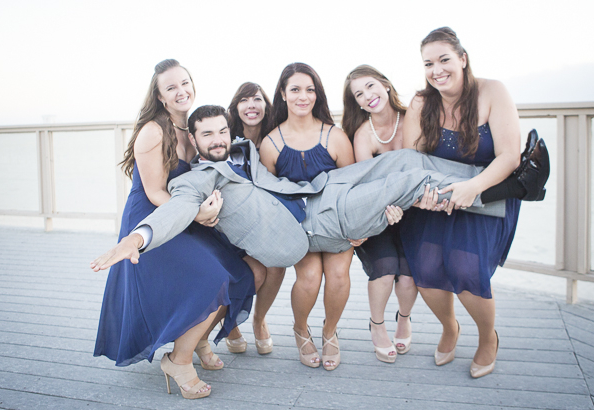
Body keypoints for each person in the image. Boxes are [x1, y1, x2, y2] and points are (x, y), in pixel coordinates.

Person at [91, 103, 547, 280]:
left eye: (220, 131)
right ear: (192, 139)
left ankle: (494, 173)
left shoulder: (243, 149)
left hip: (320, 190)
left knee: (405, 160)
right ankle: (514, 188)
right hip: (314, 226)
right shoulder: (195, 182)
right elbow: (172, 211)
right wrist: (137, 238)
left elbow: (269, 158)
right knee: (410, 184)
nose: (215, 140)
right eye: (205, 135)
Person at [93, 60, 255, 400]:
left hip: (185, 214)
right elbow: (154, 192)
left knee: (240, 271)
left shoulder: (193, 128)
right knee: (212, 278)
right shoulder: (154, 130)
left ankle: (194, 343)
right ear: (160, 95)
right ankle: (178, 362)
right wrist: (196, 215)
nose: (181, 91)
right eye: (171, 87)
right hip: (155, 216)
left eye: (185, 83)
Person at [399, 27, 526, 378]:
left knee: (467, 272)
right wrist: (425, 195)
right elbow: (412, 159)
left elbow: (509, 156)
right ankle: (449, 327)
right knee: (425, 272)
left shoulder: (492, 91)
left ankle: (487, 338)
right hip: (437, 200)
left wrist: (473, 188)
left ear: (462, 59)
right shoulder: (422, 103)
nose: (437, 70)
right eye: (428, 63)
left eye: (444, 59)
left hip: (484, 197)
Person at [258, 63, 364, 370]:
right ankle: (300, 329)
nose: (303, 96)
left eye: (310, 89)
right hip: (299, 228)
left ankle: (330, 331)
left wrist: (358, 228)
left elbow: (352, 188)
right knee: (309, 277)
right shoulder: (271, 143)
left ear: (317, 94)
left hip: (336, 224)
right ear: (282, 94)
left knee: (339, 276)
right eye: (295, 89)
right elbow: (269, 197)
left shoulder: (336, 136)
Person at [342, 64, 419, 363]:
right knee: (386, 271)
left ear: (385, 85)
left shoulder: (413, 119)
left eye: (371, 86)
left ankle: (404, 317)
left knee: (409, 278)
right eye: (359, 94)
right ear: (357, 103)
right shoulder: (363, 136)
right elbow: (367, 191)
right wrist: (385, 213)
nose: (368, 96)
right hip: (378, 216)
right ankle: (377, 325)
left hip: (414, 212)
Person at [224, 82, 284, 354]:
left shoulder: (278, 136)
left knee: (277, 265)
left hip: (267, 218)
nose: (251, 106)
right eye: (244, 100)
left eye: (257, 99)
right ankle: (232, 325)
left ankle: (259, 319)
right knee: (233, 268)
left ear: (266, 104)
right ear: (236, 107)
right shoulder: (227, 139)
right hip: (230, 218)